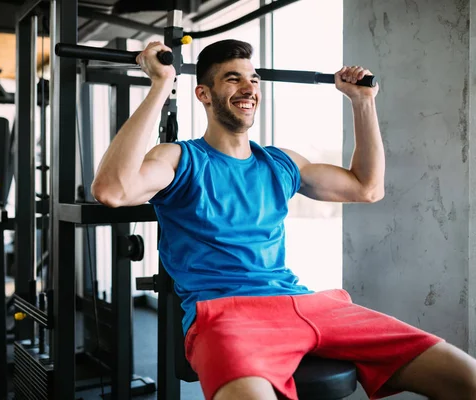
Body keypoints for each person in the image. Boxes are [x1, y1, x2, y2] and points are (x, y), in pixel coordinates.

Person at [91, 39, 476, 400]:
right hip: (226, 314)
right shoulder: (180, 159)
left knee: (465, 377)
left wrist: (362, 102)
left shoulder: (279, 162)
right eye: (233, 78)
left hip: (305, 304)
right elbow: (112, 190)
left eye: (253, 79)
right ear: (203, 94)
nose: (248, 88)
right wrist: (161, 85)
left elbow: (367, 188)